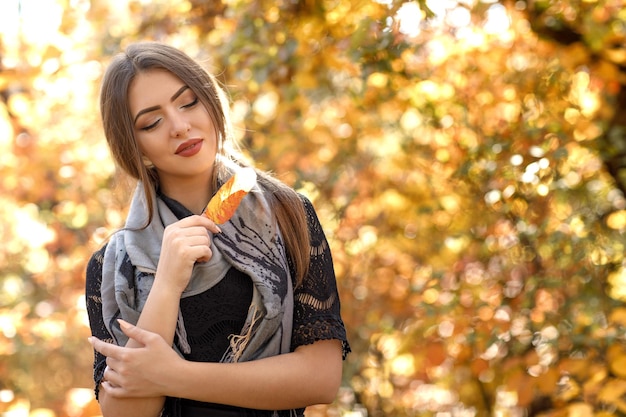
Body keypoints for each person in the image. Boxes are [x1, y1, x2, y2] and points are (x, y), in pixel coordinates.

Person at [85, 41, 350, 417]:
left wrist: (175, 376)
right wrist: (166, 281)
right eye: (152, 122)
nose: (179, 126)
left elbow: (321, 378)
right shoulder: (112, 266)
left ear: (210, 101)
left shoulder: (288, 215)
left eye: (188, 102)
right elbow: (124, 413)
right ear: (136, 147)